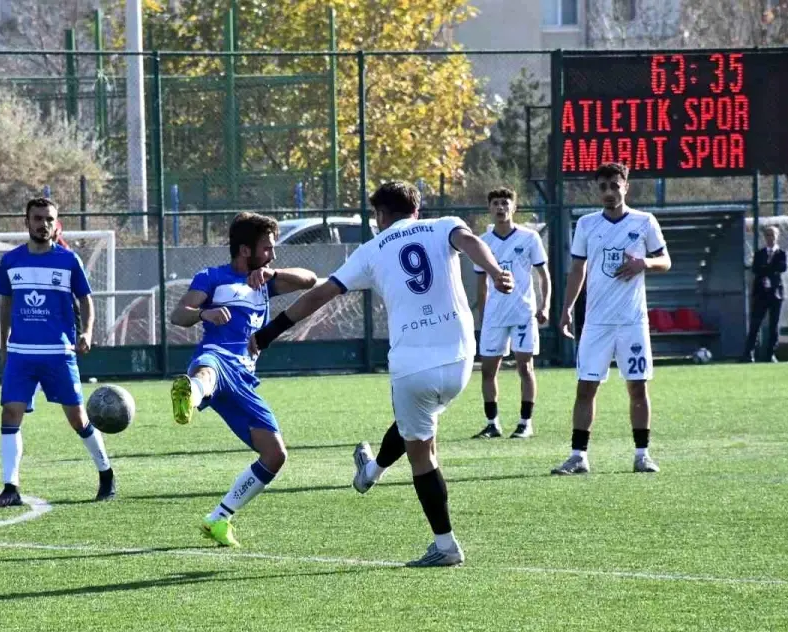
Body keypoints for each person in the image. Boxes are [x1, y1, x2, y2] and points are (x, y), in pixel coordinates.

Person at [252, 181, 514, 567]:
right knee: (420, 425)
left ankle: (445, 546)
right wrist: (493, 271)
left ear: (379, 216)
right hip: (460, 359)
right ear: (416, 208)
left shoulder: (372, 249)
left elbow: (320, 295)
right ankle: (370, 472)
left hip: (412, 365)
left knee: (421, 453)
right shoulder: (444, 225)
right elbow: (472, 242)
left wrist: (268, 332)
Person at [169, 212, 317, 548]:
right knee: (207, 371)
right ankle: (189, 394)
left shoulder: (266, 281)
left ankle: (218, 519)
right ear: (245, 250)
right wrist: (203, 312)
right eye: (267, 249)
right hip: (216, 358)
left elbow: (310, 280)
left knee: (275, 455)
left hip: (245, 378)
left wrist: (273, 273)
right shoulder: (211, 278)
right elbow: (178, 315)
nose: (273, 255)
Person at [0, 198, 115, 508]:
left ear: (56, 224)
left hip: (59, 352)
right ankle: (10, 487)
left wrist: (86, 332)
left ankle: (106, 473)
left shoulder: (68, 261)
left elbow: (86, 301)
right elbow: (6, 304)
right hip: (20, 353)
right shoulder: (11, 261)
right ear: (26, 222)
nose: (44, 224)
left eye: (49, 219)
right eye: (38, 218)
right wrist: (3, 346)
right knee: (10, 413)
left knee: (78, 418)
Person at [552, 162, 671, 476]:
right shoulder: (587, 224)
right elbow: (578, 269)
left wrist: (643, 263)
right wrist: (566, 308)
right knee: (585, 388)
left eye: (614, 186)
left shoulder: (645, 221)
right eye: (602, 186)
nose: (608, 192)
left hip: (632, 322)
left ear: (625, 187)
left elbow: (665, 261)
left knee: (637, 388)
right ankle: (578, 456)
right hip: (596, 323)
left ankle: (642, 454)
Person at [472, 187, 550, 439]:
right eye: (495, 203)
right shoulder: (483, 242)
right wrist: (482, 315)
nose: (500, 207)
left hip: (522, 314)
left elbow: (543, 275)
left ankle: (525, 422)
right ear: (489, 208)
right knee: (488, 370)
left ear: (514, 208)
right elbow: (480, 283)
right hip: (495, 316)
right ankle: (492, 423)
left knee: (525, 367)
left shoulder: (529, 238)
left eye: (505, 203)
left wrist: (545, 305)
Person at [743, 224, 787, 363]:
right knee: (755, 324)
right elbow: (756, 269)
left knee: (774, 325)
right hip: (761, 294)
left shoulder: (781, 254)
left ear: (777, 237)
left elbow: (781, 267)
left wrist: (766, 269)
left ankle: (770, 354)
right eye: (767, 235)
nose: (770, 238)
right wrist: (769, 269)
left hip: (775, 294)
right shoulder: (759, 254)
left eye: (772, 235)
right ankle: (749, 354)